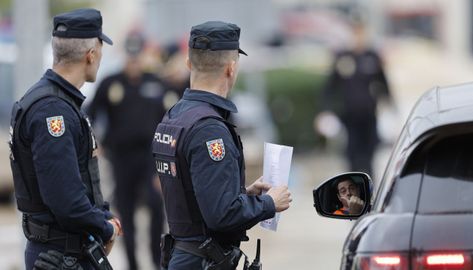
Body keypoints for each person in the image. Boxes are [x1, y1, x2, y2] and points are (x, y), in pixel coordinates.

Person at [152, 21, 293, 270]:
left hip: (183, 255)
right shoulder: (209, 128)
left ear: (188, 64)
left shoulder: (175, 116)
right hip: (201, 260)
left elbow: (196, 197)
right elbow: (221, 215)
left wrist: (244, 195)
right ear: (231, 68)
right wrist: (269, 203)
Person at [8, 8, 121, 270]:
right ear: (91, 55)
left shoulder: (60, 102)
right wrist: (105, 228)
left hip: (68, 251)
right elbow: (66, 201)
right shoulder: (53, 110)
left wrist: (103, 217)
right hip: (59, 256)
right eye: (101, 50)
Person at [87, 32, 168, 270]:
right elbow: (89, 114)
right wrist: (95, 143)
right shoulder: (111, 82)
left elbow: (169, 117)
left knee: (155, 206)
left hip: (150, 158)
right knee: (126, 211)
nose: (133, 62)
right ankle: (133, 264)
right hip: (120, 157)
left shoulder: (154, 82)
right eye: (130, 57)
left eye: (137, 56)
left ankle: (156, 260)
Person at [319, 18, 392, 176]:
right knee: (352, 157)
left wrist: (389, 108)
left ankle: (369, 192)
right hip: (350, 118)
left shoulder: (372, 56)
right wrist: (326, 111)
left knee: (369, 158)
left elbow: (384, 84)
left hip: (369, 116)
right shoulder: (343, 58)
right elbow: (330, 88)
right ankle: (353, 192)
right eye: (355, 32)